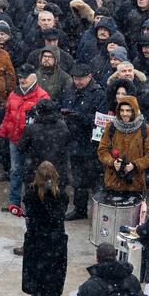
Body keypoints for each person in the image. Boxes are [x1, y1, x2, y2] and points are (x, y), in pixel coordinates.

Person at [22, 161, 68, 296]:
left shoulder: (31, 195)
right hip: (56, 243)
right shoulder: (61, 196)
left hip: (36, 242)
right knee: (55, 279)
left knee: (37, 278)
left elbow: (30, 217)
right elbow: (59, 217)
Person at [0, 64, 49, 212]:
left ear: (34, 76)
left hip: (33, 144)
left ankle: (30, 204)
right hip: (15, 140)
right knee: (15, 171)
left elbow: (46, 122)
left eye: (25, 76)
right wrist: (3, 132)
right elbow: (8, 115)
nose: (22, 79)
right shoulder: (14, 94)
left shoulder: (42, 96)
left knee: (32, 173)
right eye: (20, 77)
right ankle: (13, 202)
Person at [60, 64, 107, 219]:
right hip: (73, 141)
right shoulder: (70, 90)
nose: (78, 82)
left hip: (91, 143)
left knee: (95, 180)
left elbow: (101, 120)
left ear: (89, 77)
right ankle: (79, 209)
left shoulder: (99, 94)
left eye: (81, 79)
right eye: (75, 79)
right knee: (78, 179)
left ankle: (98, 211)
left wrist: (79, 116)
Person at [97, 95, 149, 196]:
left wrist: (135, 165)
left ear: (134, 111)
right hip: (113, 182)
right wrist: (112, 162)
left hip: (135, 184)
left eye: (128, 111)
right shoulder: (111, 127)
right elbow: (102, 151)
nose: (125, 114)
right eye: (122, 110)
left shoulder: (145, 128)